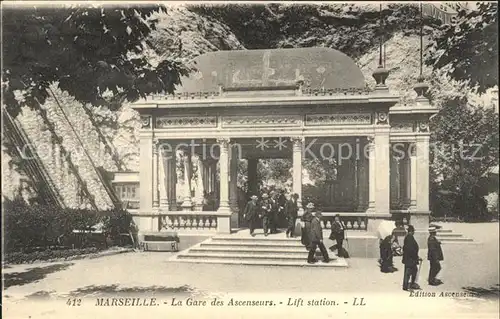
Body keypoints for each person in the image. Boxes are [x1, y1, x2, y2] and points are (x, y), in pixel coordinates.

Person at [402, 225, 422, 291]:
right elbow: (411, 249)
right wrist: (416, 257)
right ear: (411, 231)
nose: (414, 232)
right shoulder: (409, 237)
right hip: (410, 259)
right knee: (408, 272)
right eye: (413, 231)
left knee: (413, 271)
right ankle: (406, 286)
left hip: (409, 258)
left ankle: (410, 284)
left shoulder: (408, 237)